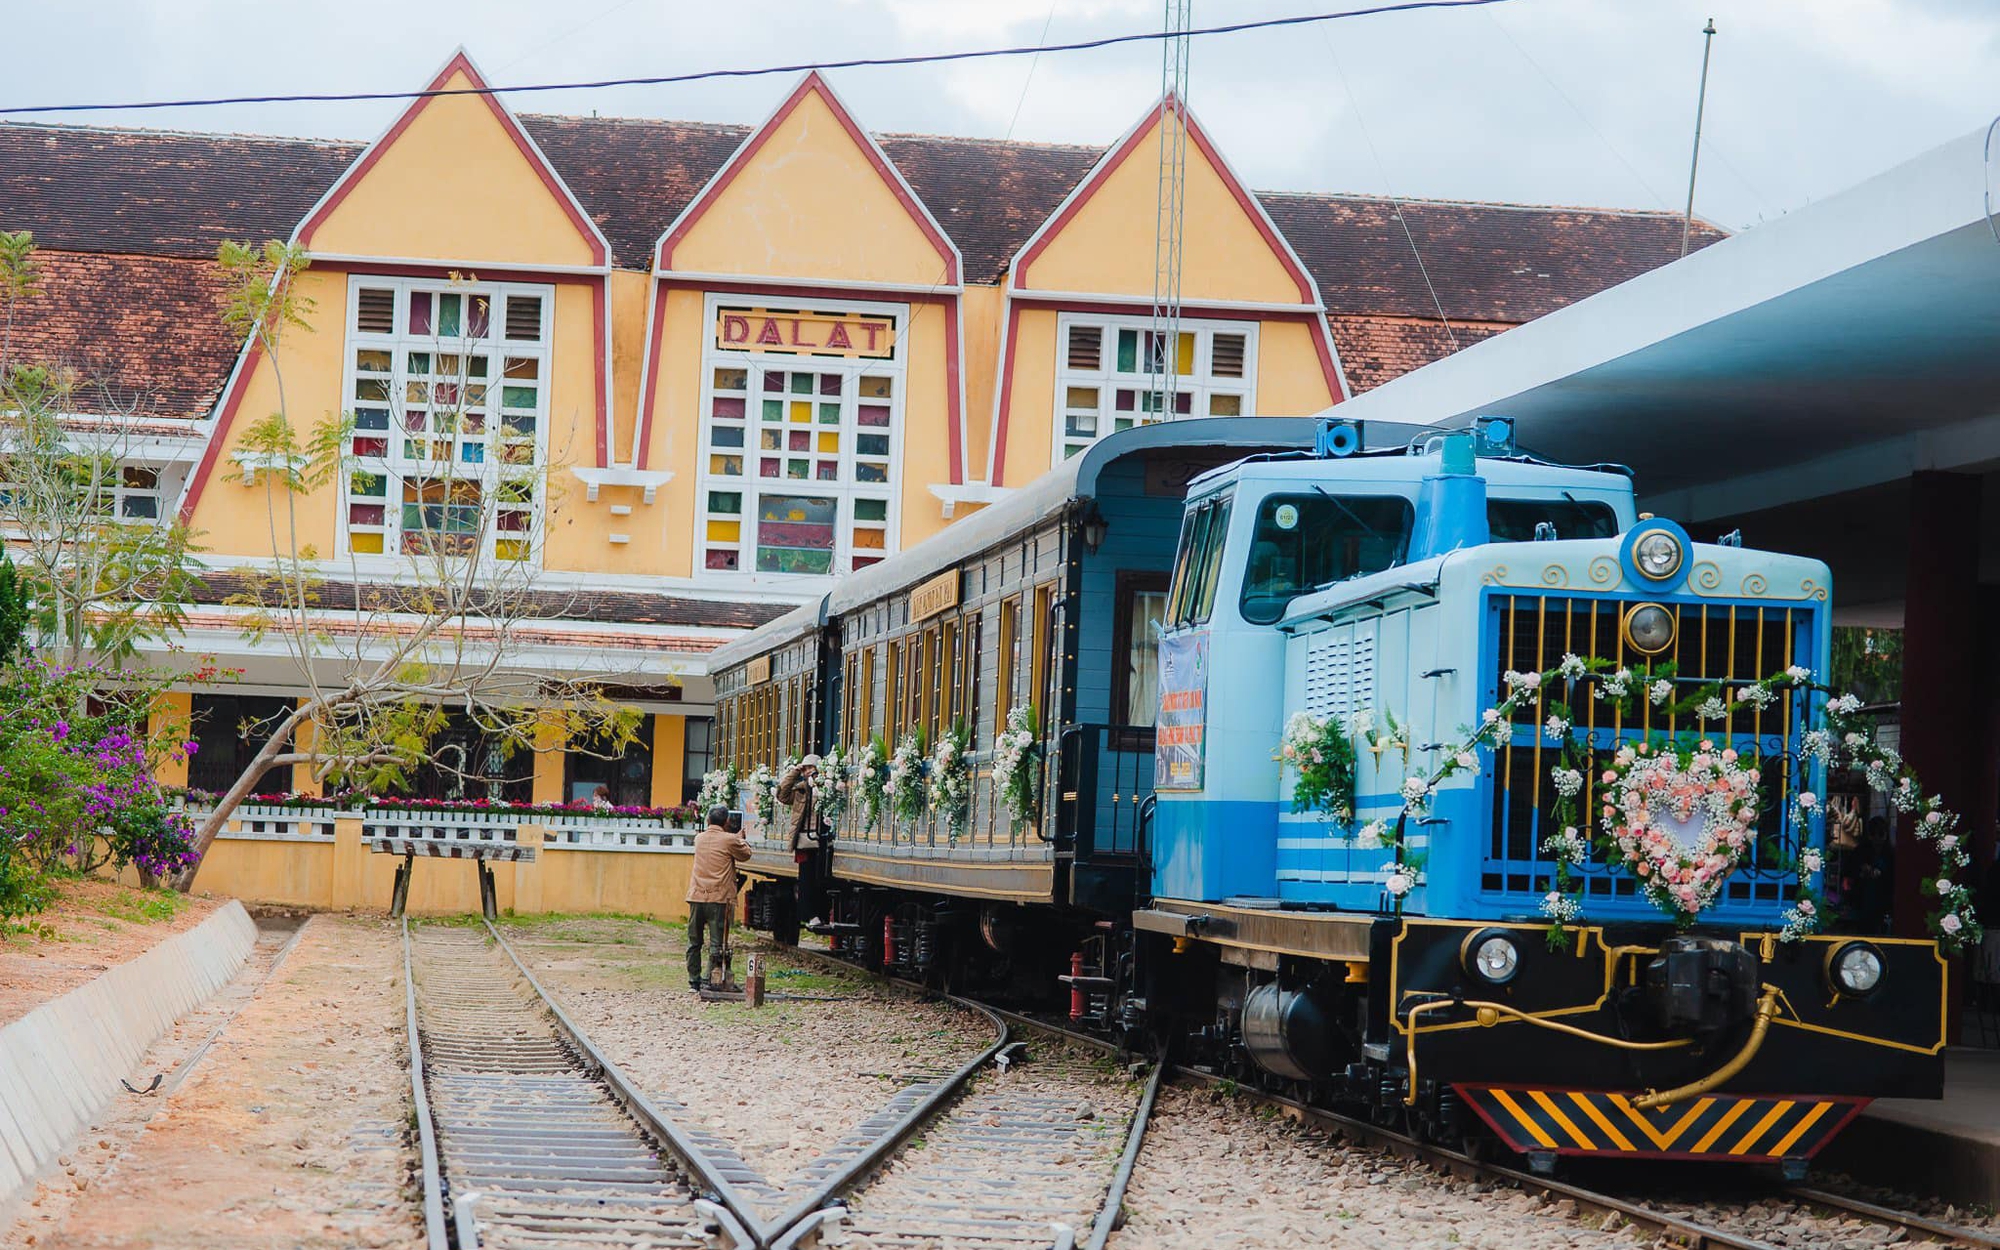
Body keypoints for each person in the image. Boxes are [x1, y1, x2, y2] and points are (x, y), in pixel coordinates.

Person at [685, 804, 750, 991]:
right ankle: (711, 979)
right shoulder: (729, 840)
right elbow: (745, 855)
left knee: (694, 941)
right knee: (717, 943)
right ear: (727, 822)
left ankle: (694, 980)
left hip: (697, 895)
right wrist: (740, 839)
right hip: (719, 897)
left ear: (707, 821)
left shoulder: (699, 838)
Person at [777, 754, 829, 925]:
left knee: (820, 879)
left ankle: (821, 913)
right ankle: (810, 915)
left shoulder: (825, 787)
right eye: (805, 769)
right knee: (806, 879)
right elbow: (782, 795)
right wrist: (795, 771)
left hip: (821, 840)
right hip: (804, 840)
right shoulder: (800, 790)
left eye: (810, 768)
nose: (808, 772)